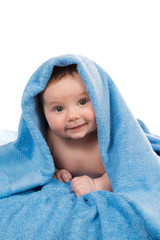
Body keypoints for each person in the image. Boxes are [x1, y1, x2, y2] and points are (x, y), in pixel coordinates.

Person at [38, 64, 112, 196]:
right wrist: (54, 171)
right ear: (42, 114)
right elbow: (36, 164)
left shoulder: (110, 136)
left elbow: (127, 170)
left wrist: (97, 184)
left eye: (82, 102)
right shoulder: (50, 139)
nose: (73, 116)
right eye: (59, 109)